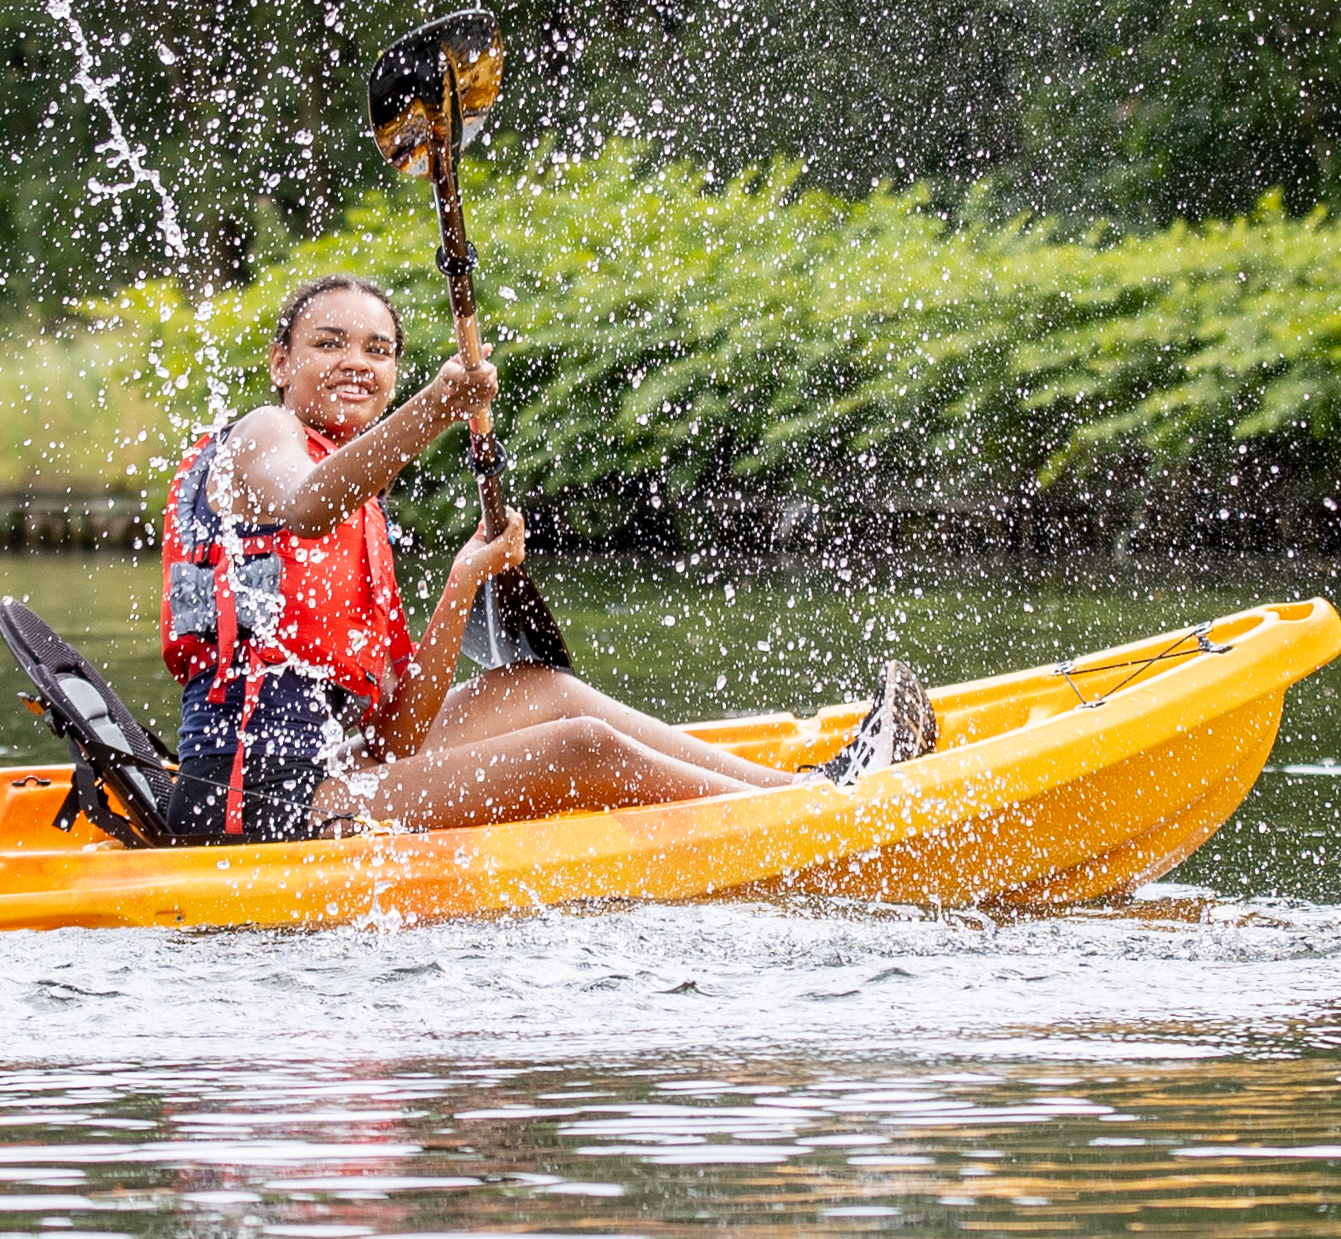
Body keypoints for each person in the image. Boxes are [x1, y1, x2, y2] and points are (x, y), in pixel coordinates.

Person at [158, 273, 930, 840]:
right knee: (581, 749)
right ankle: (819, 822)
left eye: (378, 347)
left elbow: (396, 737)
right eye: (328, 343)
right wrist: (440, 405)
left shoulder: (364, 512)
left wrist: (465, 576)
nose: (356, 360)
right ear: (280, 363)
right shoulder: (261, 434)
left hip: (332, 775)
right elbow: (303, 502)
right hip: (257, 803)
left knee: (542, 688)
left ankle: (815, 787)